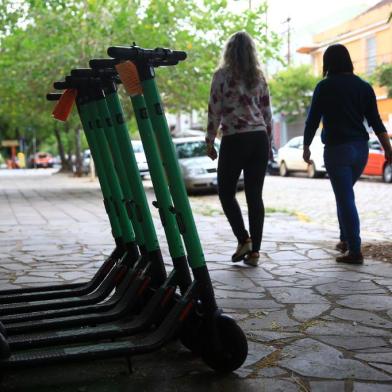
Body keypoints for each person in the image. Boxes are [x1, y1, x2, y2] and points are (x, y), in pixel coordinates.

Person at [303, 43, 392, 264]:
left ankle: (354, 250)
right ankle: (345, 240)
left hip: (337, 151)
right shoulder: (364, 87)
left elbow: (312, 120)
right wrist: (389, 151)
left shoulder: (324, 87)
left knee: (345, 198)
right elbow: (376, 123)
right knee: (344, 196)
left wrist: (305, 146)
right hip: (360, 151)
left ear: (327, 63)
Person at [205, 31, 272, 267]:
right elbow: (267, 113)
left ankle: (244, 239)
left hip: (235, 139)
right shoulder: (259, 77)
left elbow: (214, 109)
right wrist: (270, 144)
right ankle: (254, 253)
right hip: (259, 139)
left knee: (225, 193)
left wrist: (210, 139)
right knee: (255, 196)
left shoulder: (221, 76)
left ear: (229, 51)